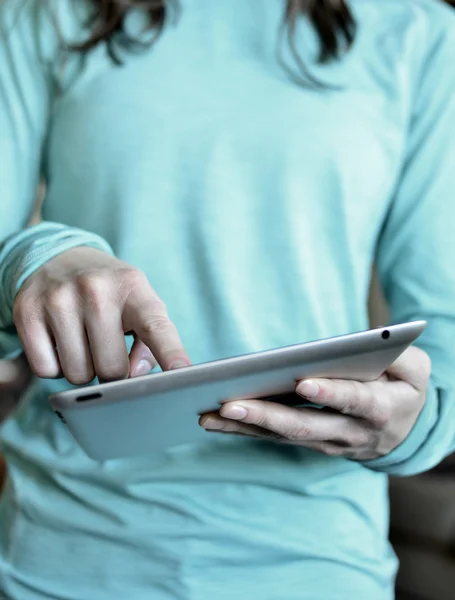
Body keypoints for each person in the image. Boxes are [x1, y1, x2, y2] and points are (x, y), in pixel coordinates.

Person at [1, 0, 455, 598]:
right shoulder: (44, 13)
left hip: (316, 559)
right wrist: (32, 260)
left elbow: (444, 337)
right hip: (63, 554)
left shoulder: (419, 31)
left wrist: (412, 425)